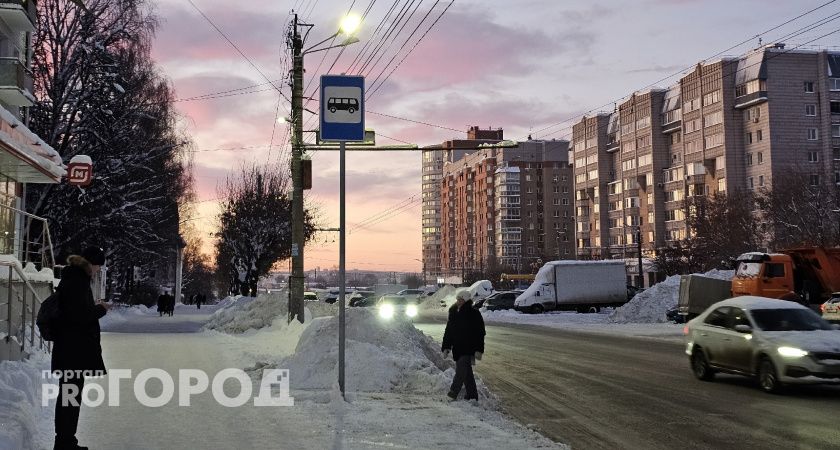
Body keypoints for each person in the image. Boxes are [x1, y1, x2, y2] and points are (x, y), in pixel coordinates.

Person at [51, 246, 110, 450]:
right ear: (91, 264)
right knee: (70, 397)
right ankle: (65, 443)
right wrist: (100, 309)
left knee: (69, 397)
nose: (98, 271)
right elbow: (79, 316)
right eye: (98, 267)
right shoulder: (77, 281)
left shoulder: (74, 278)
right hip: (72, 352)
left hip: (70, 350)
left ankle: (66, 441)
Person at [441, 289, 486, 401]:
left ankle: (453, 392)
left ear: (466, 301)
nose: (458, 301)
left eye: (461, 300)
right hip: (457, 347)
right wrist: (446, 346)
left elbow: (480, 332)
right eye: (458, 299)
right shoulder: (453, 313)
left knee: (461, 370)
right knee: (467, 373)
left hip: (469, 347)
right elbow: (449, 331)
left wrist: (479, 349)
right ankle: (472, 395)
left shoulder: (474, 313)